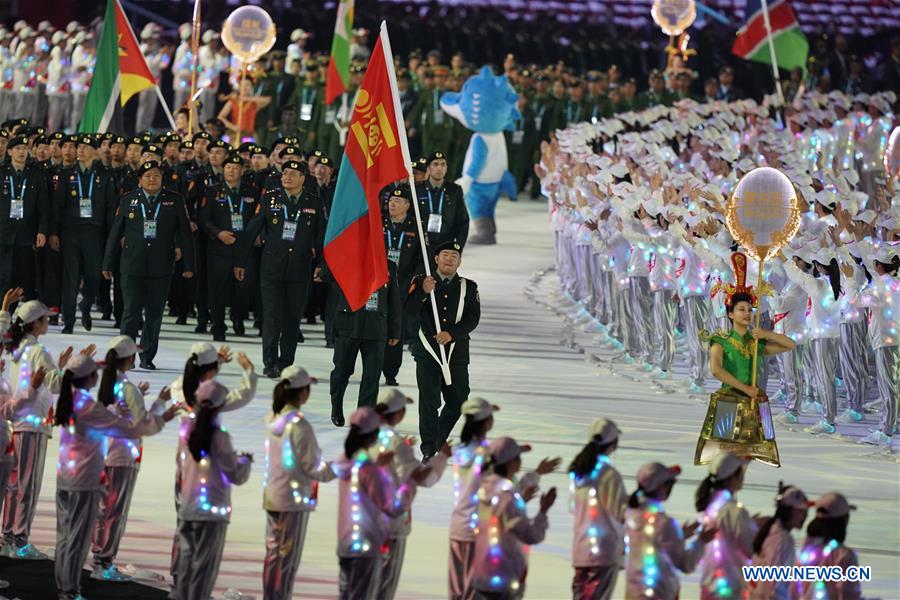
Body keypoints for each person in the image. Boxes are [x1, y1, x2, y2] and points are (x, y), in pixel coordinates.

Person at [53, 354, 177, 600]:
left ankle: (64, 587)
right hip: (84, 483)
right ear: (89, 377)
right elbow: (132, 430)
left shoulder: (74, 401)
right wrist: (161, 410)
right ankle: (69, 591)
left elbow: (103, 420)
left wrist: (112, 411)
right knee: (77, 540)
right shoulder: (89, 407)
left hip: (66, 477)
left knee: (65, 537)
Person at [168, 342, 256, 595]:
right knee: (205, 550)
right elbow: (240, 395)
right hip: (208, 477)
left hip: (185, 466)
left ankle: (179, 579)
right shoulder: (210, 409)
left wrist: (213, 364)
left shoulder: (180, 389)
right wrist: (248, 371)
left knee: (184, 527)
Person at [696, 254, 796, 466]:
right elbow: (716, 371)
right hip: (730, 399)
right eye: (741, 310)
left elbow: (790, 345)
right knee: (723, 457)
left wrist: (768, 334)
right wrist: (744, 388)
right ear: (730, 314)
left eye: (749, 310)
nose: (747, 314)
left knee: (747, 456)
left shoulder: (755, 343)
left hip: (752, 401)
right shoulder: (720, 341)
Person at [91, 335, 171, 582]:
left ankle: (99, 554)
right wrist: (160, 404)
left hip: (106, 452)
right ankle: (105, 561)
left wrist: (140, 396)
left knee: (104, 508)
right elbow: (142, 424)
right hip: (124, 456)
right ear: (128, 358)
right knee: (116, 510)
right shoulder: (127, 389)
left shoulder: (110, 386)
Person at [102, 161, 196, 370]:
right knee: (130, 313)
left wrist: (189, 265)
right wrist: (108, 262)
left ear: (162, 179)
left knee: (154, 314)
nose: (152, 179)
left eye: (156, 175)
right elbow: (115, 233)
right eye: (147, 176)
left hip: (161, 265)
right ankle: (125, 356)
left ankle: (147, 356)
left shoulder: (174, 200)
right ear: (140, 179)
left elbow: (185, 235)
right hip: (132, 265)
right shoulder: (128, 200)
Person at [239, 160, 324, 378]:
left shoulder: (313, 202)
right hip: (272, 269)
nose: (287, 177)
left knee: (292, 319)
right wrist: (240, 261)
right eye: (284, 173)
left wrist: (322, 265)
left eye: (293, 174)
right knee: (272, 317)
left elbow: (321, 237)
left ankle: (286, 362)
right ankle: (269, 363)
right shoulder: (270, 199)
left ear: (303, 178)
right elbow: (251, 231)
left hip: (300, 268)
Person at [2, 300, 71, 559]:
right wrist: (72, 371)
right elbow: (55, 386)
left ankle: (9, 537)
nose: (48, 321)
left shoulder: (17, 349)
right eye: (44, 318)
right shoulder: (38, 351)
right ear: (34, 323)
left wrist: (59, 366)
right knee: (27, 485)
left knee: (13, 483)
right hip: (32, 424)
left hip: (16, 423)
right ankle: (20, 540)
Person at [333, 407, 424, 600]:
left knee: (346, 593)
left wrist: (379, 464)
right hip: (368, 545)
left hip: (346, 542)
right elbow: (393, 507)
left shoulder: (346, 462)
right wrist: (410, 483)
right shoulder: (370, 470)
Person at [262, 365, 336, 600]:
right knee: (288, 557)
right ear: (302, 392)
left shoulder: (273, 417)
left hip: (274, 493)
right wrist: (341, 466)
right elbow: (313, 467)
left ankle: (270, 595)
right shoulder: (300, 426)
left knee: (274, 553)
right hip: (293, 499)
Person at [405, 240, 481, 460]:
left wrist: (452, 334)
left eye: (454, 256)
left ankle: (437, 438)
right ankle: (428, 447)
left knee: (459, 400)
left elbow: (472, 318)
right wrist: (422, 292)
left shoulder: (469, 286)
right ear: (436, 259)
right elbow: (409, 311)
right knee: (429, 401)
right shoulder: (422, 282)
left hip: (456, 352)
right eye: (445, 254)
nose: (449, 259)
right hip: (427, 351)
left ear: (459, 262)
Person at [373, 389, 450, 599]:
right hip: (392, 522)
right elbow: (423, 477)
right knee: (385, 585)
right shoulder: (396, 444)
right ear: (399, 414)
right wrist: (442, 458)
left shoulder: (366, 437)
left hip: (366, 520)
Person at [471, 437, 557, 598]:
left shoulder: (483, 490)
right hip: (504, 577)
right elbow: (531, 535)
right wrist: (543, 511)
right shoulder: (508, 497)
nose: (519, 461)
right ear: (510, 462)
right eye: (517, 457)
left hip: (481, 575)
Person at [55, 135, 117, 334]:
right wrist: (54, 233)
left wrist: (111, 236)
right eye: (78, 147)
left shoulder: (104, 175)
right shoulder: (66, 174)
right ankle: (69, 320)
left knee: (93, 276)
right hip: (70, 231)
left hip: (94, 232)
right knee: (70, 277)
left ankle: (87, 304)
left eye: (86, 147)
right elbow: (58, 206)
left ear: (95, 152)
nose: (80, 150)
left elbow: (110, 207)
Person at [327, 260, 401, 426]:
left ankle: (363, 415)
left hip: (376, 327)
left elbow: (394, 298)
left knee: (372, 377)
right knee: (341, 372)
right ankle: (336, 407)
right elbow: (328, 276)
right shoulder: (348, 259)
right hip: (349, 325)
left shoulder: (389, 266)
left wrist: (395, 329)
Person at [624, 462, 714, 599]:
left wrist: (680, 537)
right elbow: (686, 564)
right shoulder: (665, 523)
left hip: (633, 593)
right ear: (662, 487)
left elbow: (650, 543)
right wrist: (701, 541)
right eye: (670, 484)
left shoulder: (631, 515)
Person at [199, 153, 259, 341]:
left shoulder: (252, 192)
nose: (231, 170)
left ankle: (237, 317)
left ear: (242, 170)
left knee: (244, 287)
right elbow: (204, 219)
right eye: (228, 167)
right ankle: (218, 326)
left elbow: (257, 218)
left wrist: (254, 236)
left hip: (244, 247)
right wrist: (218, 234)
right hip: (219, 248)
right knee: (217, 289)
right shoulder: (213, 191)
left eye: (235, 167)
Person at [569, 418, 626, 600]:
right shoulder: (609, 475)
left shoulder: (579, 473)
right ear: (614, 444)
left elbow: (572, 506)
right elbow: (622, 512)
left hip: (581, 550)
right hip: (604, 552)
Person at [695, 452, 757, 600]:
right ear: (731, 477)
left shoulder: (709, 507)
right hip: (730, 589)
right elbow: (752, 550)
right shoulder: (734, 511)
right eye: (741, 472)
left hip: (709, 587)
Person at [855, 243, 898, 447]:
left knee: (888, 387)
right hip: (893, 338)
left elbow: (857, 300)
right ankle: (889, 424)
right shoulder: (895, 282)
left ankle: (886, 430)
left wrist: (848, 281)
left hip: (885, 339)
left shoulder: (881, 285)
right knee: (892, 385)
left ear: (879, 266)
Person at [381, 187, 424, 386]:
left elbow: (422, 260)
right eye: (391, 200)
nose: (393, 203)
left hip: (403, 286)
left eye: (398, 200)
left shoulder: (416, 227)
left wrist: (414, 282)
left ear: (408, 205)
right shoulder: (378, 223)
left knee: (395, 329)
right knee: (376, 326)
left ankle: (390, 371)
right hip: (378, 284)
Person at [0, 135, 48, 301]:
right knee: (2, 276)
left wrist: (42, 231)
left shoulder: (36, 175)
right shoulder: (2, 173)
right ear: (10, 152)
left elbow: (43, 207)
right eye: (17, 149)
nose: (21, 152)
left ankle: (8, 313)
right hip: (3, 233)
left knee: (19, 278)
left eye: (24, 149)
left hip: (25, 235)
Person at [749, 484, 812, 600]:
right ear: (789, 511)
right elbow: (774, 586)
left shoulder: (769, 531)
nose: (806, 515)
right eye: (801, 511)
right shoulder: (783, 540)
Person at [795, 492, 862, 600]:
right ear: (844, 521)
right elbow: (850, 595)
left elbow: (793, 590)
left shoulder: (804, 550)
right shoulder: (845, 556)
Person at [416, 152, 470, 249]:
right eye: (435, 164)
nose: (439, 168)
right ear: (428, 168)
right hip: (420, 247)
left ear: (446, 168)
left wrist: (458, 247)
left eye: (442, 164)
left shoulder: (454, 190)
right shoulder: (417, 189)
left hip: (445, 246)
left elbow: (463, 221)